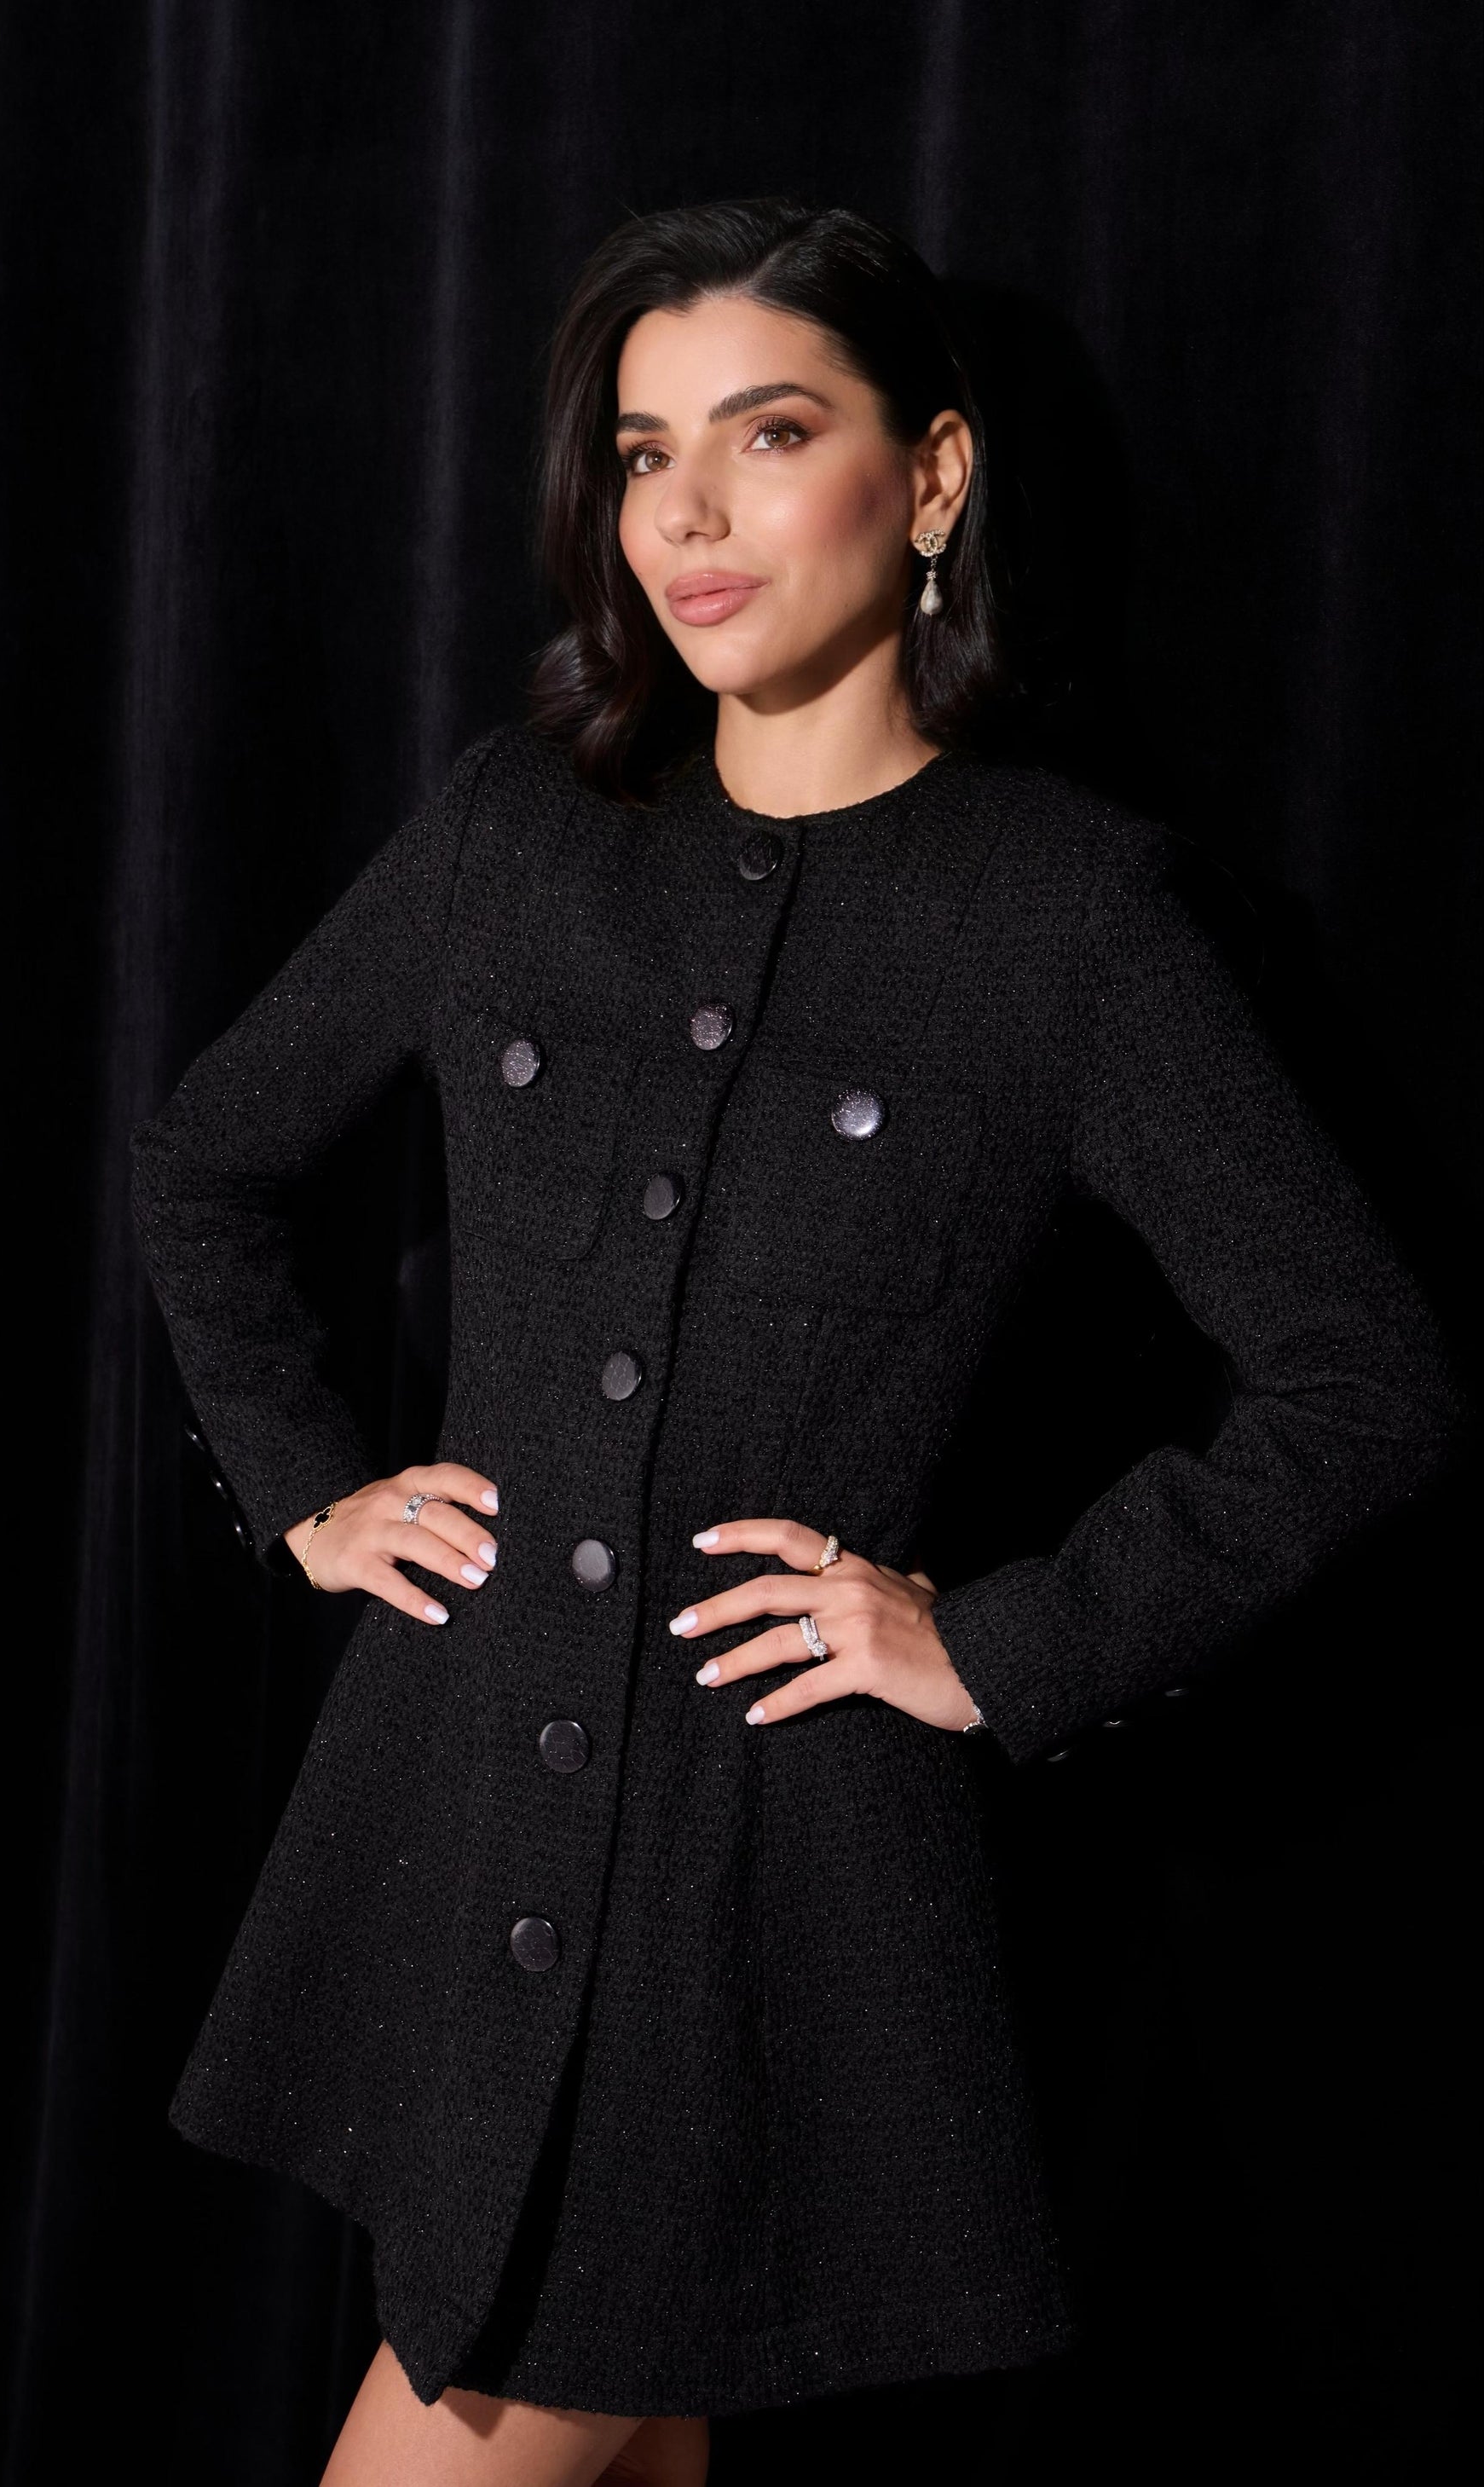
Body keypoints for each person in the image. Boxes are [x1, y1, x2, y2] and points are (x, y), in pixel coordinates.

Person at [130, 199, 1460, 2486]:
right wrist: (306, 1485)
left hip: (753, 1885)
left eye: (766, 434)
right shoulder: (516, 831)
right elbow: (208, 1160)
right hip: (460, 1818)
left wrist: (1004, 1640)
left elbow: (1365, 1382)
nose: (687, 514)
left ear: (929, 478)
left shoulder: (1070, 917)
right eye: (645, 454)